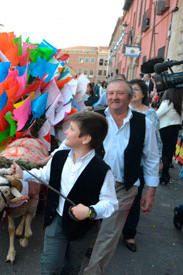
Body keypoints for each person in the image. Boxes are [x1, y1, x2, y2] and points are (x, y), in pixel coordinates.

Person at [10, 111, 118, 275]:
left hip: (83, 229)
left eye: (72, 128)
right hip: (56, 220)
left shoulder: (103, 171)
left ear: (85, 138)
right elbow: (45, 175)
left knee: (72, 266)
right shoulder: (59, 157)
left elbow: (111, 203)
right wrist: (22, 175)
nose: (66, 132)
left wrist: (91, 211)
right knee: (49, 265)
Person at [83, 79, 159, 275]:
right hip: (93, 183)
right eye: (110, 93)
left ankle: (92, 272)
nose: (114, 97)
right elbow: (72, 143)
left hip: (124, 187)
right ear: (106, 96)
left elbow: (151, 159)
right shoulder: (96, 118)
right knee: (84, 227)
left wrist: (150, 191)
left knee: (109, 234)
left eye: (120, 93)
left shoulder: (145, 123)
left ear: (130, 97)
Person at [121, 79, 163, 252]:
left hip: (138, 163)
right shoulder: (121, 111)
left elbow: (156, 141)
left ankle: (129, 233)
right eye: (130, 89)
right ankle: (101, 233)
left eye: (136, 89)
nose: (133, 92)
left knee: (134, 198)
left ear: (144, 93)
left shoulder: (150, 115)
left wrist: (158, 160)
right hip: (118, 161)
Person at [156, 88, 183, 185]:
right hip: (175, 129)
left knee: (164, 152)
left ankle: (164, 175)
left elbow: (157, 114)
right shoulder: (180, 103)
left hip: (165, 129)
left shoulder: (168, 102)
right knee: (169, 152)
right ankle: (165, 174)